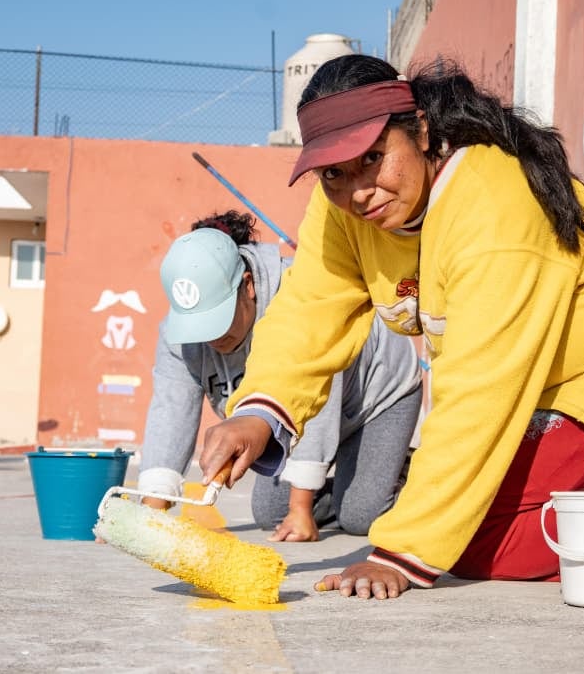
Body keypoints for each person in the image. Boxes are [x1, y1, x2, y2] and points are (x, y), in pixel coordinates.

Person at [198, 54, 584, 597]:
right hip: (541, 375)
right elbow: (310, 308)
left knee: (471, 536)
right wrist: (258, 412)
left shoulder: (492, 206)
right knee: (467, 526)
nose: (359, 192)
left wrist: (402, 549)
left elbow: (479, 392)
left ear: (419, 129)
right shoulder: (343, 214)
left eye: (373, 159)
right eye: (334, 173)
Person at [137, 210, 423, 541]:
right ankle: (348, 483)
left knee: (361, 517)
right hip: (293, 420)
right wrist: (149, 516)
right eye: (200, 324)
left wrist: (301, 509)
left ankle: (402, 474)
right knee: (271, 514)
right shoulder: (180, 333)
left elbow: (314, 388)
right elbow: (170, 411)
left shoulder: (294, 297)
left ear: (247, 286)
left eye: (219, 318)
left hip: (377, 399)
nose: (212, 338)